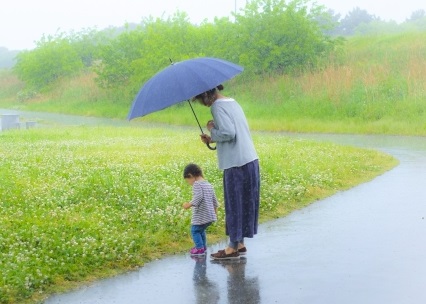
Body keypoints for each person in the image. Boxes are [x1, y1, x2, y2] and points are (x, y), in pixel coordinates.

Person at [192, 84, 260, 260]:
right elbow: (233, 131)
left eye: (201, 99)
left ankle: (231, 248)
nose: (203, 104)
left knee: (234, 206)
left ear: (207, 94)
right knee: (243, 204)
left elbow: (229, 133)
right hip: (250, 160)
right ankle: (240, 243)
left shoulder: (217, 106)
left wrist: (211, 129)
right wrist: (213, 137)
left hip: (236, 164)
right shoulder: (232, 102)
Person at [182, 163, 218, 256]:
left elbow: (198, 196)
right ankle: (203, 247)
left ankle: (199, 248)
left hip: (201, 215)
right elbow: (215, 200)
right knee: (201, 230)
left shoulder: (197, 184)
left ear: (190, 176)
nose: (189, 183)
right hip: (210, 216)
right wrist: (215, 212)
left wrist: (189, 204)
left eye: (188, 181)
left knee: (195, 230)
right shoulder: (208, 184)